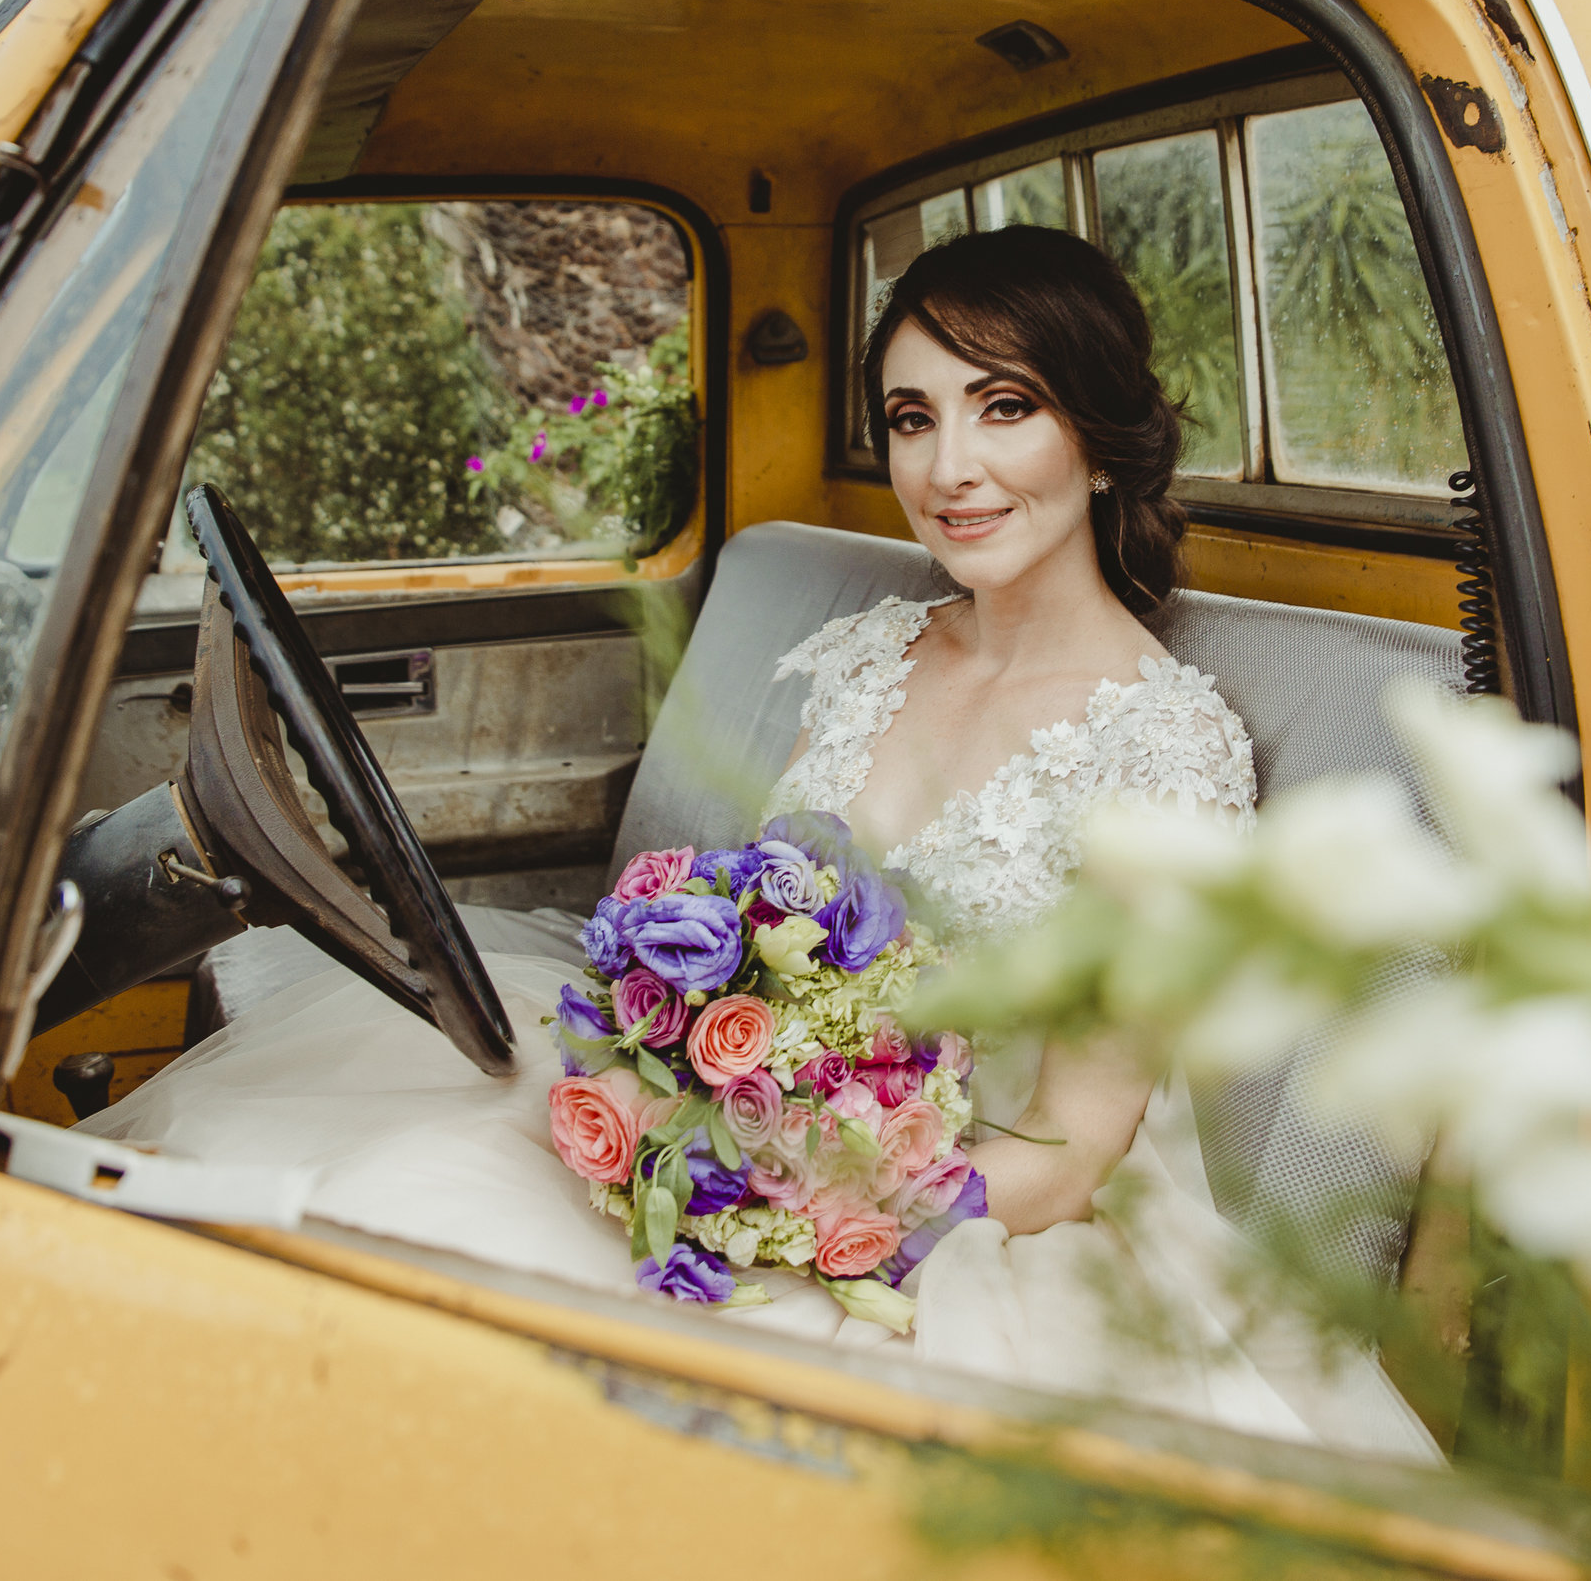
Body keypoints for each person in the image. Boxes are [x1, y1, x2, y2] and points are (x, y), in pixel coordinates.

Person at [85, 228, 1438, 1463]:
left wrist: (792, 1195)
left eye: (1004, 407)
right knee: (364, 1182)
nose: (948, 469)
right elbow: (764, 917)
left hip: (966, 1217)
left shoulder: (1165, 752)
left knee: (449, 1273)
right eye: (913, 418)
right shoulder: (871, 651)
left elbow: (1073, 1155)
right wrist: (671, 1067)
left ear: (1101, 438)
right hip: (744, 1114)